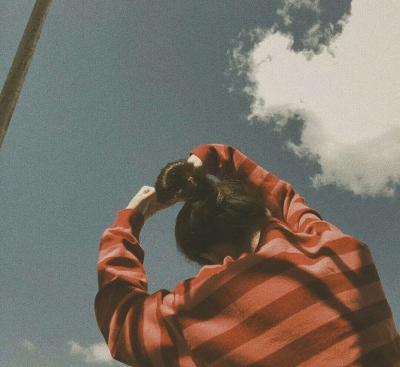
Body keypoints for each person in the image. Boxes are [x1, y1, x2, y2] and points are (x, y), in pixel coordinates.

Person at [95, 144, 400, 367]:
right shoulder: (338, 249)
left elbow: (122, 322)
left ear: (207, 254)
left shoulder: (193, 311)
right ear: (258, 210)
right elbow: (284, 197)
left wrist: (128, 222)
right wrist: (210, 157)